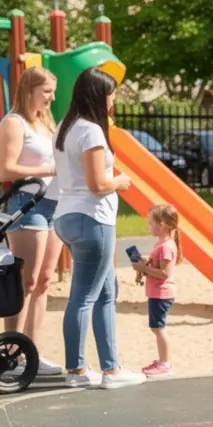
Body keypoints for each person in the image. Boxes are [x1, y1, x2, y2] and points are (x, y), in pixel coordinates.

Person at [53, 68, 145, 389]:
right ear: (98, 95)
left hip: (67, 216)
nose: (114, 99)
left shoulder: (64, 128)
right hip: (93, 219)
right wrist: (120, 181)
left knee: (107, 292)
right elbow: (97, 184)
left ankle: (110, 368)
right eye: (111, 93)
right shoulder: (91, 131)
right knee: (85, 297)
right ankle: (77, 371)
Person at [0, 65, 63, 375]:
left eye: (53, 91)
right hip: (27, 205)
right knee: (25, 282)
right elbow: (6, 169)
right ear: (29, 91)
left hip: (52, 203)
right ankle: (10, 353)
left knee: (44, 282)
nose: (52, 98)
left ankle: (31, 354)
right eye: (46, 92)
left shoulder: (45, 123)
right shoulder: (14, 123)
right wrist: (48, 171)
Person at [135, 204, 180, 378]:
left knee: (159, 328)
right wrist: (146, 262)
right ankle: (163, 361)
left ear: (162, 224)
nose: (149, 227)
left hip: (161, 293)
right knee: (156, 327)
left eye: (151, 223)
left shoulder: (166, 246)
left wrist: (143, 269)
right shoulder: (162, 244)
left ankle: (165, 363)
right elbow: (159, 266)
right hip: (157, 292)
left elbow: (164, 274)